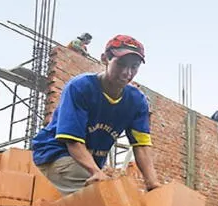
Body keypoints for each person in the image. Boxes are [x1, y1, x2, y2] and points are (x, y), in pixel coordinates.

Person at [31, 34, 161, 195]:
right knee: (105, 197)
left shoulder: (137, 101)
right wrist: (95, 171)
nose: (127, 72)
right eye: (120, 64)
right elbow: (72, 141)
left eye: (134, 67)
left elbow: (141, 145)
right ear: (105, 59)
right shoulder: (80, 87)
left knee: (103, 198)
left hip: (87, 163)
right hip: (55, 154)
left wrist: (153, 183)